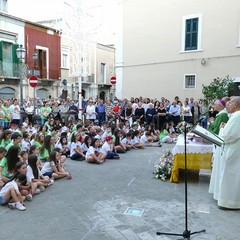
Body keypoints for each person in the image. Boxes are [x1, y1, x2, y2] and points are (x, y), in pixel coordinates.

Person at [217, 96, 240, 209]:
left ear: (236, 105)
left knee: (231, 174)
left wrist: (222, 129)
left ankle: (229, 202)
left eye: (230, 102)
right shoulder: (236, 116)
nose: (228, 104)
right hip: (235, 148)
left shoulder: (237, 116)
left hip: (233, 149)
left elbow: (228, 136)